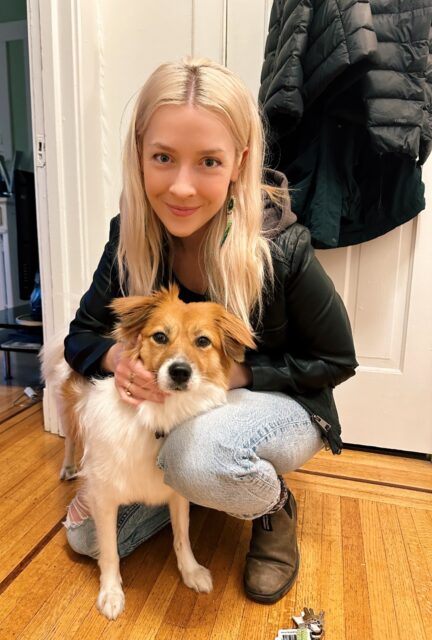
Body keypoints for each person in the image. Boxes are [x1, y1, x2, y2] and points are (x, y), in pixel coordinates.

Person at [62, 57, 358, 604]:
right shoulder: (129, 238)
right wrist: (117, 362)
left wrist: (237, 372)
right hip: (179, 409)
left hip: (283, 402)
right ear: (138, 155)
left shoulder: (281, 245)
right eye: (163, 157)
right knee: (84, 536)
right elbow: (80, 337)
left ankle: (270, 507)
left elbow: (337, 361)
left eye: (208, 162)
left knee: (201, 453)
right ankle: (198, 486)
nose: (181, 187)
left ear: (239, 162)